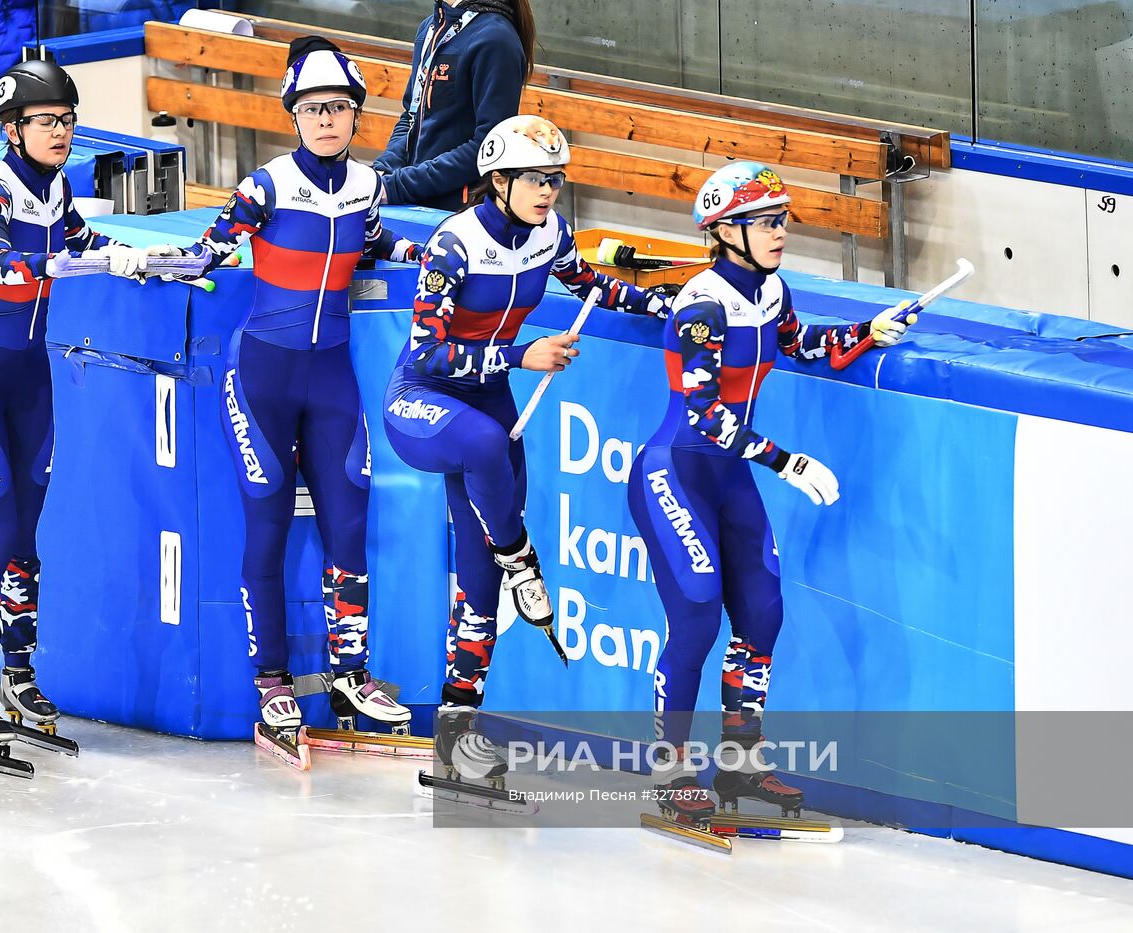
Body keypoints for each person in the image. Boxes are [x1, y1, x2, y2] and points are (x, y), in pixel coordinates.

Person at [155, 37, 424, 764]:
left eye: (339, 108)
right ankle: (271, 680)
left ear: (356, 116)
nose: (327, 120)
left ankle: (348, 674)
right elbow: (212, 246)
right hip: (264, 376)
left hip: (331, 375)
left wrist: (428, 256)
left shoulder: (367, 185)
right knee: (268, 525)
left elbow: (373, 242)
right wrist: (154, 266)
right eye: (313, 109)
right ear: (293, 117)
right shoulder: (266, 185)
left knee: (349, 523)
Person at [382, 115, 668, 798]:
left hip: (490, 403)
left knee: (478, 587)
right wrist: (520, 354)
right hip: (423, 400)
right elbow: (427, 351)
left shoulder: (551, 234)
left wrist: (666, 303)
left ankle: (455, 738)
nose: (550, 192)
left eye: (557, 180)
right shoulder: (454, 245)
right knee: (484, 449)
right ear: (498, 181)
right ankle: (523, 557)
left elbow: (593, 285)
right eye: (537, 180)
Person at [627, 161, 917, 824]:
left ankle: (739, 765)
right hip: (675, 470)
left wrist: (867, 332)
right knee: (698, 613)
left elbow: (802, 344)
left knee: (763, 614)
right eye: (766, 222)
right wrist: (785, 462)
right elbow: (705, 415)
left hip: (727, 476)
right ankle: (670, 773)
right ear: (726, 231)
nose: (780, 231)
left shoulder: (770, 291)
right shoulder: (701, 302)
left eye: (782, 219)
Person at [0, 60, 149, 774]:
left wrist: (142, 259)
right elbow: (1, 265)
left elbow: (82, 242)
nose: (62, 132)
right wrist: (60, 268)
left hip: (27, 380)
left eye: (68, 120)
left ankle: (16, 677)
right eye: (47, 121)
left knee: (27, 537)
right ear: (14, 129)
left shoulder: (58, 190)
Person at [374, 0, 535, 211]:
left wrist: (399, 186)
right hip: (413, 199)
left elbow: (487, 146)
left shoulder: (496, 38)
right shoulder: (430, 28)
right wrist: (383, 171)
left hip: (457, 212)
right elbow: (411, 116)